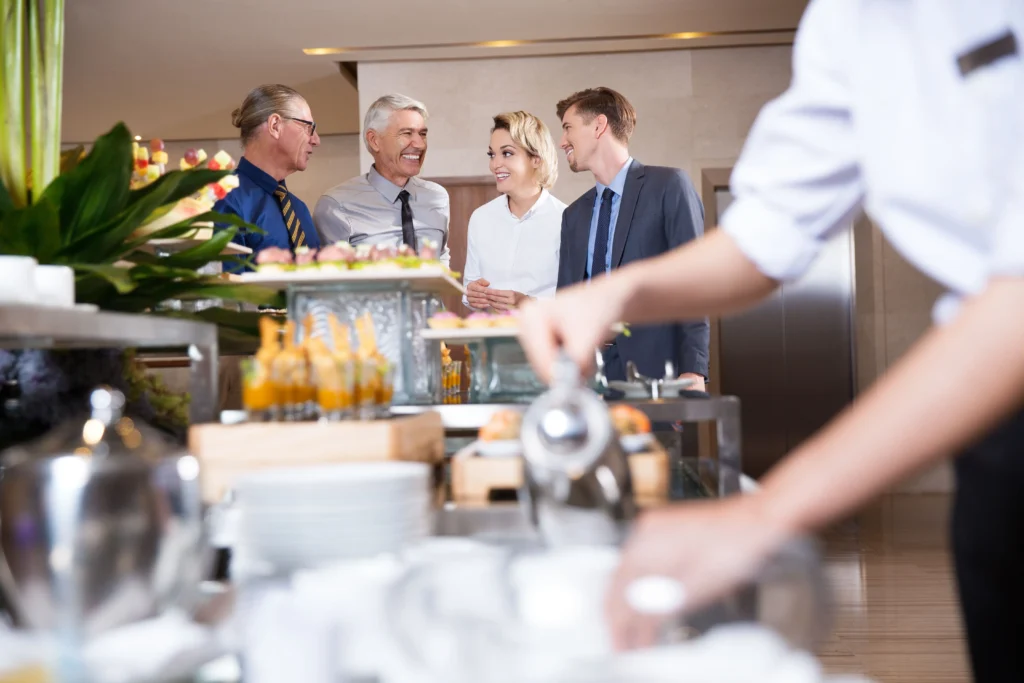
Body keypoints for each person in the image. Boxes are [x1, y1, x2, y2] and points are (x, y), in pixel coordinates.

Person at [519, 2, 1024, 681]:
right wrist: (616, 293)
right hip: (994, 444)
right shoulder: (846, 23)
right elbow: (768, 229)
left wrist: (763, 513)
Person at [555, 87, 709, 390]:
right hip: (587, 379)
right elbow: (567, 300)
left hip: (657, 374)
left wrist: (694, 369)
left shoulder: (669, 186)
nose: (562, 141)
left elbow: (693, 283)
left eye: (568, 128)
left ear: (599, 126)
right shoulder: (573, 215)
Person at [313, 94, 451, 266]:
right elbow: (330, 277)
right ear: (374, 140)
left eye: (422, 134)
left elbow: (442, 256)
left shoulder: (437, 197)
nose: (420, 144)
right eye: (406, 133)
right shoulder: (336, 205)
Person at [463, 111, 566, 312]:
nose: (495, 164)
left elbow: (578, 297)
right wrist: (471, 295)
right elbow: (469, 288)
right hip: (490, 332)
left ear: (536, 158)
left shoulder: (566, 220)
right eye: (492, 155)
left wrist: (529, 302)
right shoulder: (480, 218)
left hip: (544, 331)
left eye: (507, 153)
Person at [214, 84, 321, 266]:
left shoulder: (299, 210)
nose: (316, 140)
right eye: (309, 127)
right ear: (275, 125)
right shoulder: (226, 200)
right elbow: (226, 280)